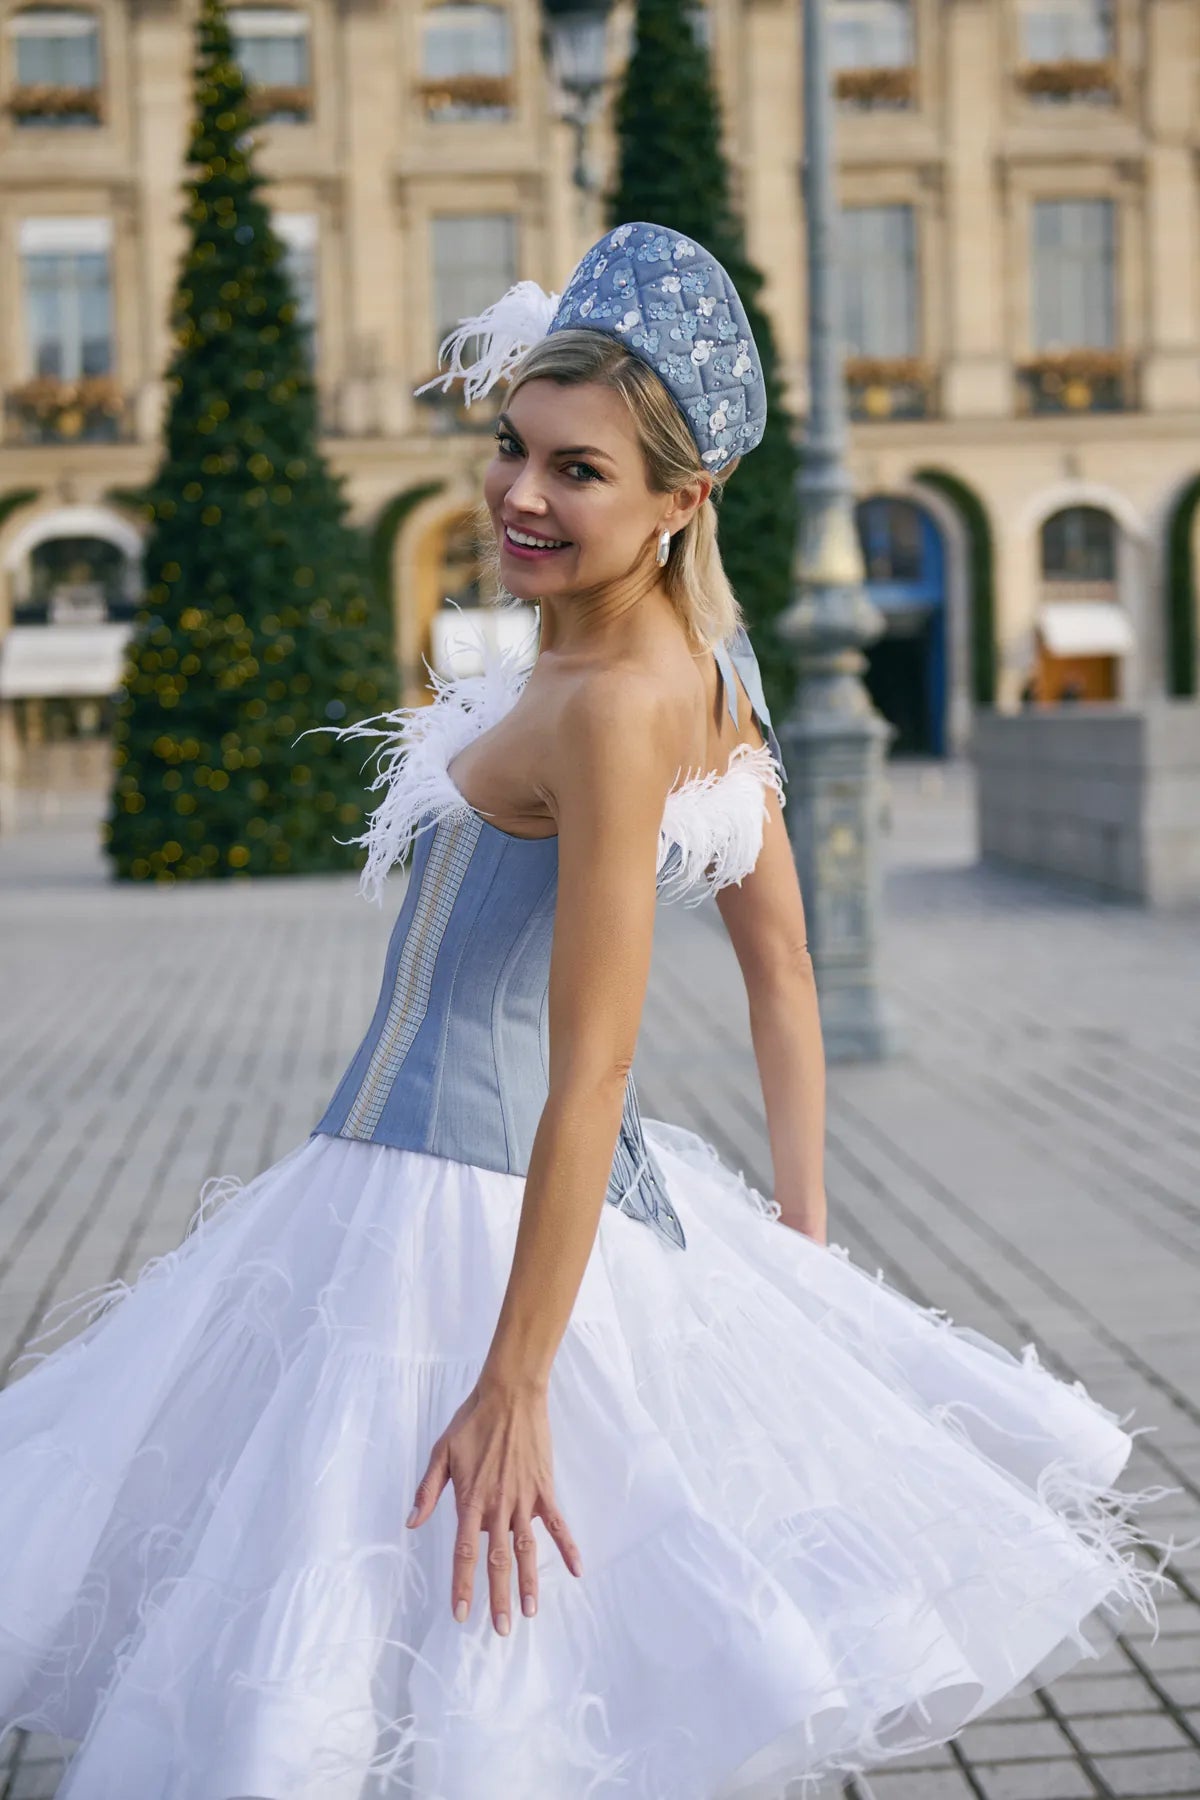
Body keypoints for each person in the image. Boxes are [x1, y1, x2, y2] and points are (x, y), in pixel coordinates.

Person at [0, 222, 1169, 1800]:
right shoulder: (694, 668)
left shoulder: (621, 709)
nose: (521, 495)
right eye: (511, 447)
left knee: (433, 1671)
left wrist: (516, 1379)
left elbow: (594, 1062)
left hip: (454, 1217)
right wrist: (804, 1243)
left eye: (580, 472)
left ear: (685, 499)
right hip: (457, 1190)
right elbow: (787, 977)